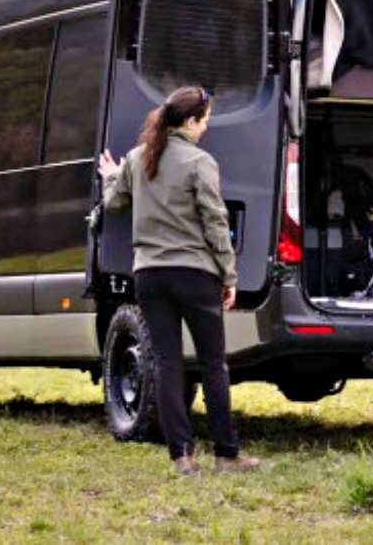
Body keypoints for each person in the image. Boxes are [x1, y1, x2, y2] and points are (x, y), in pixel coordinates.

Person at [99, 85, 261, 475]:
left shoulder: (138, 159)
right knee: (213, 364)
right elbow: (215, 222)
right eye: (205, 120)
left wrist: (110, 176)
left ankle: (182, 457)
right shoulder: (200, 162)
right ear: (189, 122)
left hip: (149, 275)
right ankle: (226, 453)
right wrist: (229, 274)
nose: (206, 127)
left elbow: (113, 203)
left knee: (168, 363)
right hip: (195, 275)